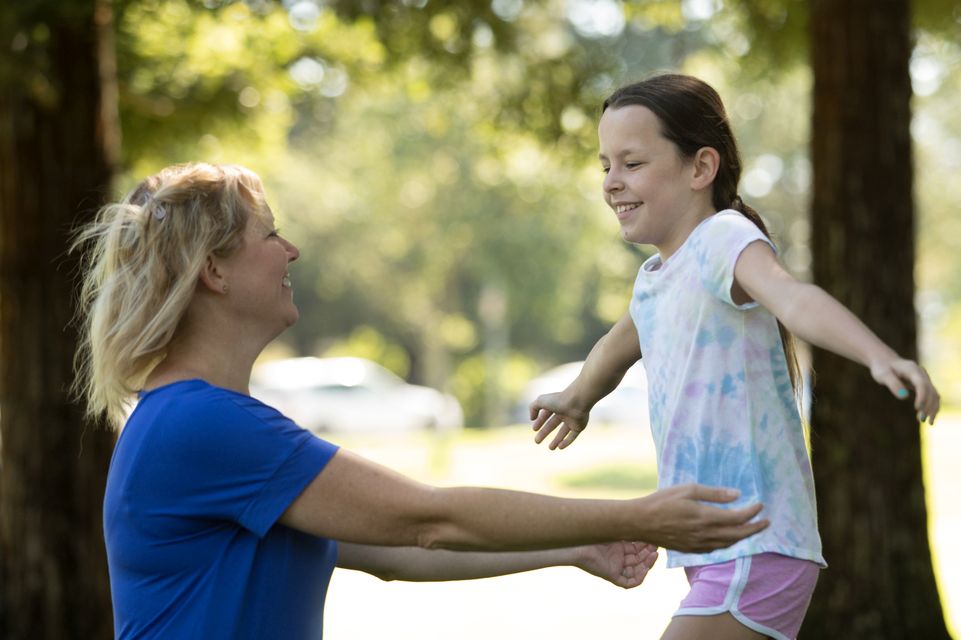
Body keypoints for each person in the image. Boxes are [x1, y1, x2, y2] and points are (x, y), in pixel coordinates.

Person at [71, 162, 770, 639]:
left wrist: (575, 544)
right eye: (269, 234)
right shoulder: (200, 424)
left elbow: (397, 551)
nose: (291, 251)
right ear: (214, 270)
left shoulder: (212, 424)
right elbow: (427, 519)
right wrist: (639, 514)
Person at [528, 74, 940, 640]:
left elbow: (792, 297)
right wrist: (576, 400)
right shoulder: (657, 279)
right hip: (714, 544)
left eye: (632, 163)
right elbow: (617, 348)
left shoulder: (722, 239)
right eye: (605, 166)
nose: (612, 183)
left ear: (701, 168)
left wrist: (877, 355)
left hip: (758, 539)